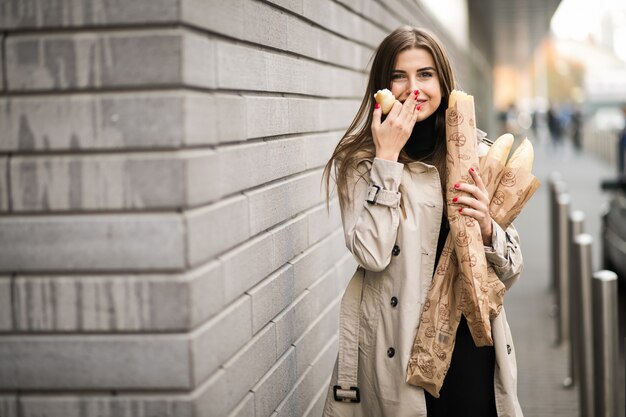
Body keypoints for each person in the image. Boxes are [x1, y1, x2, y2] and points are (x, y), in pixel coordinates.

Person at [322, 26, 524, 417]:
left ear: (443, 83)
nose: (412, 88)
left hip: (471, 345)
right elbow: (372, 255)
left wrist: (486, 225)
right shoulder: (359, 163)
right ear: (382, 83)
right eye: (399, 75)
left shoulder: (476, 155)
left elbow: (510, 273)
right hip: (399, 350)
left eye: (425, 74)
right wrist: (387, 159)